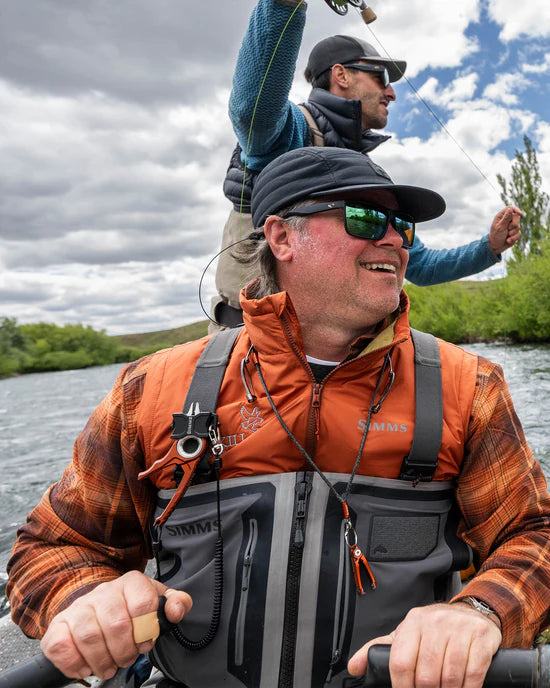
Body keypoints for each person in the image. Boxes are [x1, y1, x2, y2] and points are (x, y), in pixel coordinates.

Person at [7, 146, 549, 688]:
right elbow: (55, 546)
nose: (393, 240)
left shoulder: (469, 385)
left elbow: (535, 533)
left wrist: (481, 611)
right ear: (282, 238)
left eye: (401, 226)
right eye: (364, 218)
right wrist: (83, 599)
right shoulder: (150, 388)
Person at [212, 0, 522, 328]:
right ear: (341, 75)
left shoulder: (363, 170)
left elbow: (422, 267)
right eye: (381, 78)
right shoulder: (289, 132)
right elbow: (252, 110)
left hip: (335, 352)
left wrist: (489, 248)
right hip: (251, 346)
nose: (392, 93)